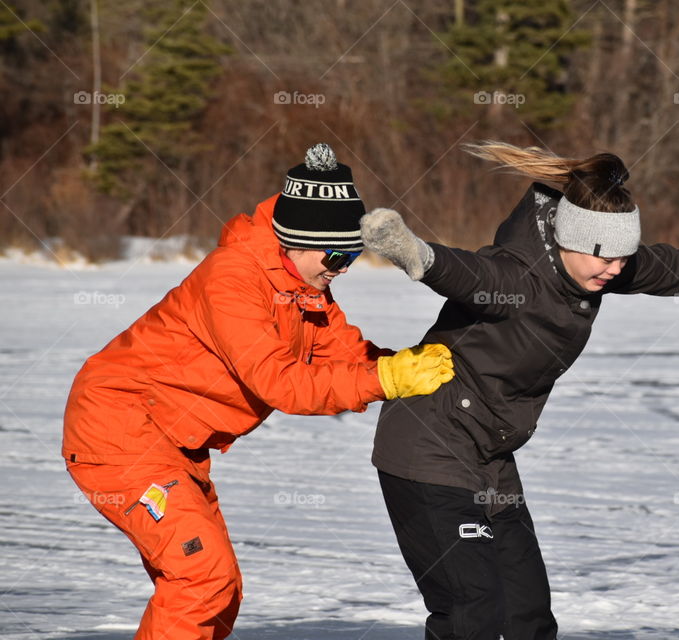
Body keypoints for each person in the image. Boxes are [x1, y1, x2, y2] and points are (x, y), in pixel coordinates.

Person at [359, 141, 679, 640]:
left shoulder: (597, 267)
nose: (616, 269)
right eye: (604, 259)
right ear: (567, 239)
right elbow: (467, 273)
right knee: (472, 612)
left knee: (527, 614)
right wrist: (416, 253)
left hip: (490, 455)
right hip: (427, 448)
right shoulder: (518, 277)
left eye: (623, 259)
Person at [62, 143, 455, 640]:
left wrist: (402, 365)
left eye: (353, 253)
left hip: (172, 442)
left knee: (219, 592)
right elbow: (281, 382)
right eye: (337, 254)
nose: (345, 266)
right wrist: (387, 381)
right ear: (295, 239)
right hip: (118, 431)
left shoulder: (303, 281)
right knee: (201, 578)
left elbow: (342, 349)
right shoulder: (232, 278)